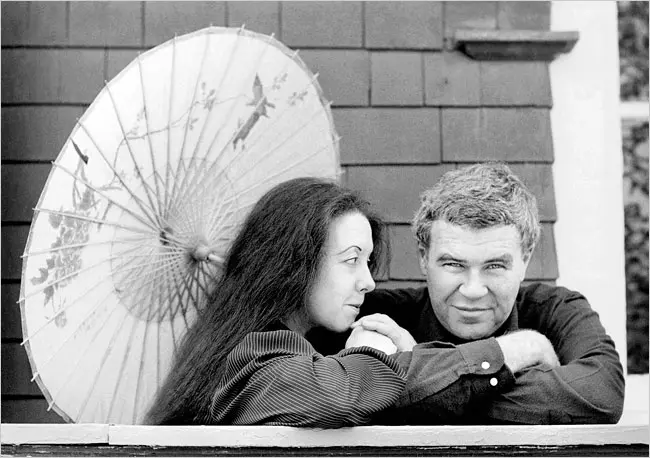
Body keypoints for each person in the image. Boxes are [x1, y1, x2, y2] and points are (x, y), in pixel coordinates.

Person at [311, 162, 625, 425]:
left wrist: (421, 375)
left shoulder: (555, 310)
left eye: (494, 267)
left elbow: (600, 396)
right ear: (423, 256)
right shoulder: (370, 316)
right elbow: (324, 392)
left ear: (526, 258)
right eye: (454, 265)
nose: (473, 290)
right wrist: (518, 352)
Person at [144, 177, 407, 427]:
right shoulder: (253, 357)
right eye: (352, 260)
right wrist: (373, 356)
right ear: (296, 262)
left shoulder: (260, 346)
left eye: (368, 262)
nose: (368, 282)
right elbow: (335, 398)